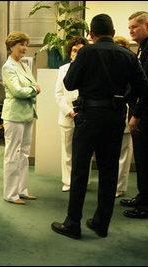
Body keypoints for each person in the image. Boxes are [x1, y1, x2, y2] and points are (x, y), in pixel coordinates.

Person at [51, 14, 148, 239]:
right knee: (109, 170)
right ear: (114, 33)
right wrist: (124, 97)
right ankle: (101, 223)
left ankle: (72, 223)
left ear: (91, 35)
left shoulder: (86, 52)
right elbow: (143, 87)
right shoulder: (128, 55)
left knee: (80, 169)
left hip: (88, 116)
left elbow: (70, 83)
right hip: (115, 116)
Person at [120, 12, 148, 224]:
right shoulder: (144, 48)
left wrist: (136, 115)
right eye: (130, 27)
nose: (131, 31)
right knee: (142, 160)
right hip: (144, 113)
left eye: (134, 27)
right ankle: (143, 197)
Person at [2, 31, 41, 205]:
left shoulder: (22, 65)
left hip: (26, 114)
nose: (25, 48)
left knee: (24, 154)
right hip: (14, 116)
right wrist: (34, 90)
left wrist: (32, 89)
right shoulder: (8, 66)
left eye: (26, 44)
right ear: (11, 46)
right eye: (21, 44)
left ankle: (22, 190)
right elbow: (18, 91)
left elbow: (27, 87)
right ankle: (10, 194)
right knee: (12, 155)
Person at [55, 36, 91, 192]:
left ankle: (84, 181)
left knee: (85, 151)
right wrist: (69, 111)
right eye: (74, 50)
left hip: (86, 115)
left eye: (80, 51)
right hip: (68, 115)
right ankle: (68, 181)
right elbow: (58, 94)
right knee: (68, 151)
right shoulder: (63, 69)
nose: (77, 53)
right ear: (70, 53)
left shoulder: (91, 69)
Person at [113, 36, 134, 198]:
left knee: (124, 153)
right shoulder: (110, 66)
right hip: (111, 115)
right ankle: (112, 184)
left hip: (127, 113)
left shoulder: (133, 65)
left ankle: (120, 186)